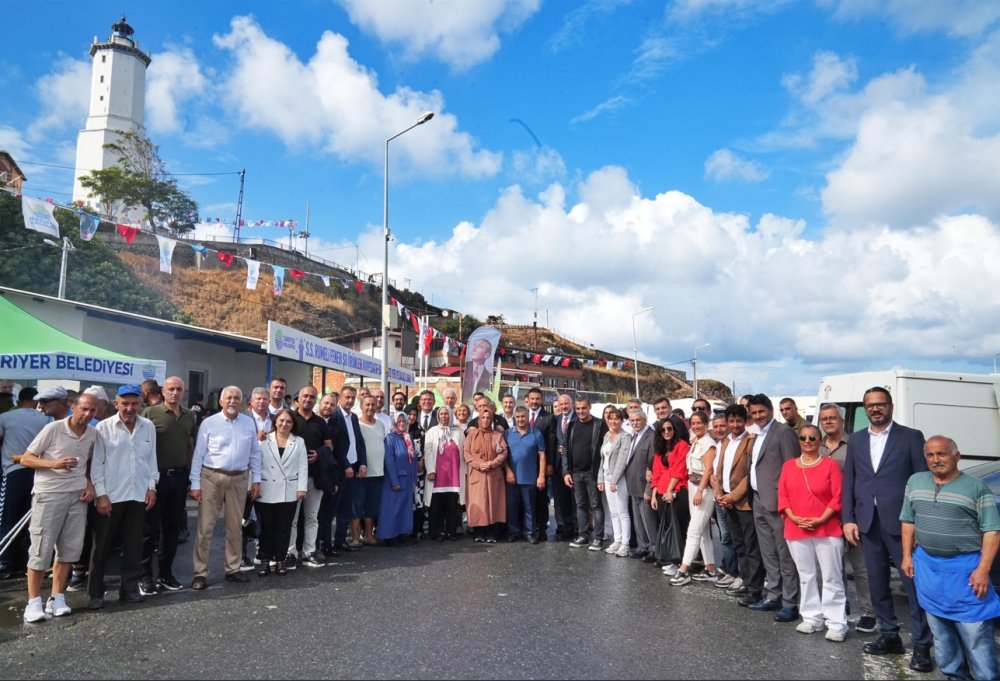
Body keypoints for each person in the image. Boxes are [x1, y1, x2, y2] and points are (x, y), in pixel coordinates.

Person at [842, 386, 933, 672]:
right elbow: (850, 482)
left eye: (880, 404)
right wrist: (848, 518)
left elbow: (921, 482)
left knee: (912, 585)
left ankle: (921, 645)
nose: (875, 409)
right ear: (865, 408)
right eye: (870, 405)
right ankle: (890, 634)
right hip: (868, 521)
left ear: (890, 406)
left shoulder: (910, 437)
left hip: (903, 523)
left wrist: (919, 521)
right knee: (877, 582)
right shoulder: (856, 441)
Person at [901, 436, 1000, 680]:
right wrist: (906, 556)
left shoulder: (976, 487)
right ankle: (954, 676)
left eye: (942, 454)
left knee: (976, 636)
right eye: (930, 455)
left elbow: (992, 531)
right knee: (942, 637)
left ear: (957, 456)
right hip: (928, 568)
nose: (936, 460)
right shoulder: (915, 481)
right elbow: (908, 520)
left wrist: (983, 569)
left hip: (966, 570)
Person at [19, 392, 98, 623]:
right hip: (49, 494)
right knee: (41, 548)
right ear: (73, 406)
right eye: (84, 409)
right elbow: (26, 458)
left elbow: (89, 464)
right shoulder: (52, 429)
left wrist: (90, 484)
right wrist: (53, 463)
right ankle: (33, 602)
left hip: (77, 497)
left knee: (69, 550)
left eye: (92, 410)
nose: (87, 414)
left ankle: (57, 597)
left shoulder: (93, 434)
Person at [88, 385, 158, 608]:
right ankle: (96, 594)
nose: (130, 408)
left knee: (133, 545)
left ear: (141, 404)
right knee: (101, 547)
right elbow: (96, 465)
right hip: (111, 496)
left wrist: (151, 487)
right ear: (116, 404)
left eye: (134, 403)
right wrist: (101, 496)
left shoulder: (148, 427)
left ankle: (129, 589)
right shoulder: (103, 428)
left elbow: (151, 460)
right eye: (125, 403)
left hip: (137, 494)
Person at [778, 424, 848, 641]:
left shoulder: (830, 465)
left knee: (831, 576)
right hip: (795, 527)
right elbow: (783, 496)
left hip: (826, 528)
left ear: (820, 441)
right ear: (799, 440)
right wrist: (794, 517)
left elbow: (838, 496)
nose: (807, 441)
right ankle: (812, 618)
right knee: (806, 576)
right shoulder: (789, 466)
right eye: (803, 437)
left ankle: (836, 622)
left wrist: (821, 519)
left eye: (813, 437)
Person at [189, 386, 261, 590]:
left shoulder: (248, 423)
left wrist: (256, 480)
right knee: (205, 528)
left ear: (241, 402)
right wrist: (195, 484)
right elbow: (198, 455)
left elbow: (255, 453)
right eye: (228, 398)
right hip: (211, 477)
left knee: (235, 528)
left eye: (236, 398)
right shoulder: (209, 423)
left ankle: (233, 568)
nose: (232, 401)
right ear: (220, 402)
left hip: (239, 479)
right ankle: (200, 572)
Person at [817, 403, 876, 634]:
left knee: (861, 568)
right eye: (824, 419)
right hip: (825, 518)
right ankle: (840, 608)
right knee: (833, 568)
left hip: (852, 515)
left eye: (832, 418)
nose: (828, 422)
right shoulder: (816, 446)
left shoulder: (856, 445)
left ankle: (869, 613)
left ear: (842, 420)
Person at [745, 394, 800, 622]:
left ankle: (790, 602)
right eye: (754, 413)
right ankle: (773, 596)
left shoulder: (783, 433)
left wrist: (788, 505)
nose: (758, 416)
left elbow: (793, 469)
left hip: (778, 503)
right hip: (758, 500)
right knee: (768, 553)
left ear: (770, 411)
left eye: (761, 412)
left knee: (784, 554)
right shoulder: (758, 434)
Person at [141, 375, 197, 594]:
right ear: (163, 391)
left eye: (179, 389)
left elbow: (189, 445)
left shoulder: (189, 416)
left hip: (179, 478)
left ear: (184, 392)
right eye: (171, 389)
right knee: (148, 529)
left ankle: (166, 573)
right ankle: (145, 576)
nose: (175, 393)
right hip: (154, 479)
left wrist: (192, 475)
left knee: (171, 529)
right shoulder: (149, 414)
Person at [713, 404, 763, 603]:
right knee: (739, 545)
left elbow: (749, 474)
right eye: (731, 421)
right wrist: (719, 493)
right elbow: (719, 471)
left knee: (751, 547)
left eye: (739, 421)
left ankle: (755, 589)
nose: (735, 425)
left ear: (745, 421)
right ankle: (746, 582)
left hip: (743, 502)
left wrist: (732, 496)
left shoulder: (751, 441)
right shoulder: (724, 442)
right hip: (726, 500)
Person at [0, 387, 47, 579]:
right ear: (36, 401)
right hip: (38, 473)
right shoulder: (45, 419)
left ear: (19, 401)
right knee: (33, 520)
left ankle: (6, 561)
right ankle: (29, 561)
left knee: (7, 517)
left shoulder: (6, 417)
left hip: (13, 471)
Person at [669, 410, 720, 585]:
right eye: (694, 423)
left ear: (707, 424)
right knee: (703, 531)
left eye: (700, 423)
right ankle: (710, 568)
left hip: (702, 489)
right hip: (693, 485)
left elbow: (708, 469)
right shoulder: (696, 442)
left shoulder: (708, 443)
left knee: (694, 530)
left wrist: (700, 490)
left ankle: (683, 570)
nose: (696, 426)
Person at [255, 409, 307, 577]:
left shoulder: (299, 442)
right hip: (266, 489)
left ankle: (280, 560)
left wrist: (302, 488)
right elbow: (255, 463)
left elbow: (303, 466)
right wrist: (253, 486)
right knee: (267, 528)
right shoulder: (263, 440)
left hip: (289, 491)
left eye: (288, 422)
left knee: (284, 528)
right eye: (281, 421)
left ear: (293, 425)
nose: (284, 424)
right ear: (275, 422)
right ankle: (264, 560)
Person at [290, 384, 336, 568]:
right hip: (292, 477)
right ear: (299, 398)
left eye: (311, 397)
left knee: (311, 517)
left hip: (314, 477)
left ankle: (309, 552)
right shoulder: (290, 418)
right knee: (292, 519)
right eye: (305, 396)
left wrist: (319, 454)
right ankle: (291, 553)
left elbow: (329, 446)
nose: (308, 399)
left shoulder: (320, 422)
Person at [562, 398, 608, 551]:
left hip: (592, 472)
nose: (581, 411)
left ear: (590, 407)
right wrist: (566, 471)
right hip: (575, 472)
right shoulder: (572, 425)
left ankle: (599, 538)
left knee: (595, 505)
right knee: (580, 505)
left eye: (584, 408)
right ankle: (583, 535)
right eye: (578, 408)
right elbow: (566, 449)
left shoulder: (599, 424)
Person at [650, 416, 691, 576]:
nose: (667, 432)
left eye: (670, 429)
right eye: (663, 430)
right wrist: (654, 495)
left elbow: (679, 470)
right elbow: (656, 472)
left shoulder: (682, 446)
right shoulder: (660, 449)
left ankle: (682, 562)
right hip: (661, 492)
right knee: (667, 527)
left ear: (675, 430)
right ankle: (672, 560)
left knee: (679, 527)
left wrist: (670, 490)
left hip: (677, 491)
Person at [330, 386, 367, 551]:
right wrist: (345, 465)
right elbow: (334, 446)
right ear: (340, 397)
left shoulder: (353, 417)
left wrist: (362, 463)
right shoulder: (334, 417)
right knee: (334, 507)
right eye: (347, 397)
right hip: (340, 468)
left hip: (353, 466)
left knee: (346, 506)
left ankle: (340, 541)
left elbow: (359, 441)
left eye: (353, 398)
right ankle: (327, 543)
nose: (350, 401)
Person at [502, 407, 546, 543]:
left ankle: (529, 532)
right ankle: (513, 531)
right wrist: (508, 471)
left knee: (529, 507)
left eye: (523, 416)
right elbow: (503, 455)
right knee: (512, 507)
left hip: (529, 477)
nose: (520, 419)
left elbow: (542, 456)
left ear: (528, 417)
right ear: (514, 417)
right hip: (511, 478)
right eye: (518, 417)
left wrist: (541, 476)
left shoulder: (536, 433)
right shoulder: (508, 433)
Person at [464, 408, 508, 542]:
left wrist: (493, 463)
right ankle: (479, 532)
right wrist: (479, 465)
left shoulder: (497, 435)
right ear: (479, 420)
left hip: (493, 474)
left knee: (494, 503)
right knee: (478, 502)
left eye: (488, 418)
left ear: (492, 420)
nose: (485, 420)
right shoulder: (472, 435)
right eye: (483, 418)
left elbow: (503, 452)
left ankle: (492, 533)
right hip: (477, 474)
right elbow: (466, 453)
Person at [423, 407, 466, 541]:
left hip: (453, 475)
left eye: (446, 414)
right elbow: (428, 451)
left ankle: (451, 531)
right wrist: (430, 470)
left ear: (451, 415)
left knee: (452, 505)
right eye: (441, 414)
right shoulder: (431, 432)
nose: (444, 416)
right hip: (437, 475)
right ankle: (438, 532)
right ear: (438, 416)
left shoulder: (458, 432)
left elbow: (465, 451)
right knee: (437, 505)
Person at [377, 413, 418, 544]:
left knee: (404, 508)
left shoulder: (408, 438)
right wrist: (394, 481)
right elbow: (389, 460)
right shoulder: (390, 438)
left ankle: (401, 533)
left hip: (407, 479)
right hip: (395, 480)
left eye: (404, 421)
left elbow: (414, 460)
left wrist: (413, 480)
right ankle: (389, 536)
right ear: (394, 423)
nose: (402, 423)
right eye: (399, 421)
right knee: (392, 508)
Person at [624, 410, 658, 562]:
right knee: (638, 520)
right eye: (632, 420)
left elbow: (653, 465)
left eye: (638, 420)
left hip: (645, 486)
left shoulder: (651, 436)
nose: (635, 423)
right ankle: (643, 546)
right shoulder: (634, 435)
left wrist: (649, 488)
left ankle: (654, 549)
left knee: (649, 520)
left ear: (645, 420)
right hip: (633, 484)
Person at [598, 407, 631, 557]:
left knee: (622, 512)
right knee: (613, 511)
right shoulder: (607, 435)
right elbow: (602, 460)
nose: (613, 421)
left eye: (616, 418)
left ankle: (625, 543)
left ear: (622, 420)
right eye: (610, 418)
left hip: (619, 479)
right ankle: (617, 540)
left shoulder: (625, 437)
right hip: (606, 477)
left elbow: (622, 461)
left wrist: (614, 480)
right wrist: (601, 479)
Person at [523, 387, 555, 541]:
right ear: (527, 400)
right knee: (527, 498)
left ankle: (541, 529)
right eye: (532, 399)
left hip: (541, 465)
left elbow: (551, 442)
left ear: (542, 400)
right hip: (525, 465)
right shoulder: (522, 416)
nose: (534, 402)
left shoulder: (548, 417)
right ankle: (529, 528)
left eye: (537, 399)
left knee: (541, 498)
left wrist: (549, 464)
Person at [552, 393, 578, 541]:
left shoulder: (578, 418)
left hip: (574, 467)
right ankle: (566, 528)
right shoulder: (557, 419)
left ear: (571, 404)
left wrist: (568, 448)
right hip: (558, 466)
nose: (563, 407)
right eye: (561, 404)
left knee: (575, 500)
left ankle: (577, 529)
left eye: (566, 404)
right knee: (561, 501)